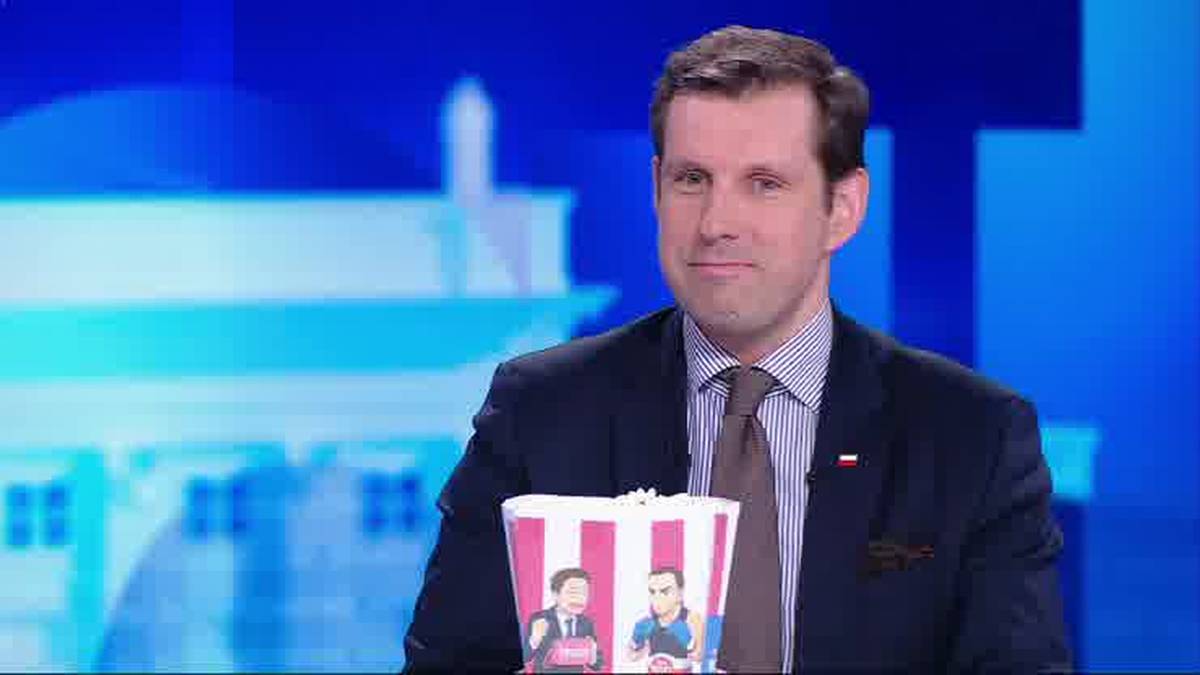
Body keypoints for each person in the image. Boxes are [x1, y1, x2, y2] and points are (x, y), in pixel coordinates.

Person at [405, 25, 1070, 671]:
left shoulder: (972, 436)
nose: (716, 223)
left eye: (764, 183)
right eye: (692, 179)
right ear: (657, 189)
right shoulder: (540, 413)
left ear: (842, 207)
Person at [525, 568, 603, 672]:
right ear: (555, 595)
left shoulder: (586, 623)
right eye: (573, 592)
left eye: (584, 593)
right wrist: (534, 640)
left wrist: (592, 655)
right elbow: (525, 657)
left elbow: (598, 666)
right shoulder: (540, 619)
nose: (578, 598)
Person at [626, 568, 705, 672]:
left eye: (665, 592)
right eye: (652, 592)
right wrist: (643, 649)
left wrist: (691, 651)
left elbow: (702, 656)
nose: (657, 598)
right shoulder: (645, 624)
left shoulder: (692, 620)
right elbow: (631, 655)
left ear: (680, 593)